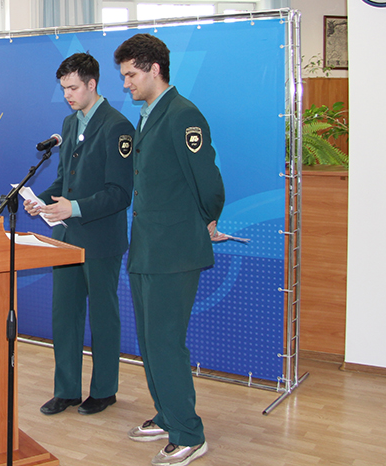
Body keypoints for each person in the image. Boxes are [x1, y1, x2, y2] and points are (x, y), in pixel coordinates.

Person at [114, 34, 225, 466]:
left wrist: (205, 219)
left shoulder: (183, 115)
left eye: (131, 75)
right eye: (124, 75)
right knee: (149, 340)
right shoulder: (149, 115)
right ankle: (167, 414)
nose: (126, 83)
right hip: (147, 247)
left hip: (174, 250)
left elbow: (208, 183)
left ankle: (188, 433)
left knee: (165, 342)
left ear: (154, 69)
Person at [24, 53, 134, 416]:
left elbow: (120, 193)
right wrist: (40, 201)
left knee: (103, 317)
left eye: (72, 88)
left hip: (101, 239)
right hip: (67, 238)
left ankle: (104, 390)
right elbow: (63, 182)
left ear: (92, 84)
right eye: (63, 89)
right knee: (65, 315)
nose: (67, 95)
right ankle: (67, 390)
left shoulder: (118, 126)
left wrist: (74, 207)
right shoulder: (69, 124)